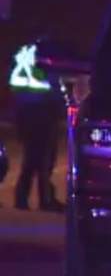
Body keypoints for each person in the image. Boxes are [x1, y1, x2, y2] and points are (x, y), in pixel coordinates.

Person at [9, 38, 65, 212]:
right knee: (40, 161)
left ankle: (27, 198)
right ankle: (42, 200)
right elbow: (51, 92)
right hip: (40, 117)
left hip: (33, 116)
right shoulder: (39, 68)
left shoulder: (26, 65)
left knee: (38, 161)